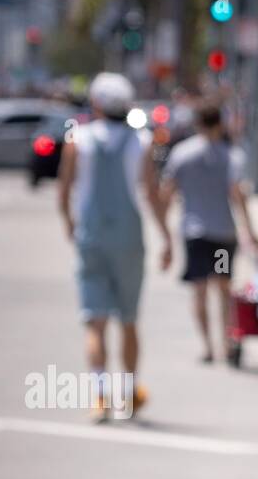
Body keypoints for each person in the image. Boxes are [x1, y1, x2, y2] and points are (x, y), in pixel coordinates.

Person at [58, 71, 172, 421]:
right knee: (129, 320)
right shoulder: (141, 141)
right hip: (128, 236)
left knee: (95, 322)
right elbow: (151, 194)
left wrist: (70, 224)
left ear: (95, 103)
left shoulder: (77, 139)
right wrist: (166, 235)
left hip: (92, 235)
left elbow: (64, 191)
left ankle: (100, 396)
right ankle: (130, 391)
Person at [160, 99, 258, 363]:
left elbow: (167, 193)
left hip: (194, 234)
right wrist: (249, 231)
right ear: (220, 123)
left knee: (200, 290)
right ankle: (227, 343)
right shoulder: (233, 155)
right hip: (223, 235)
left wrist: (165, 234)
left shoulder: (181, 153)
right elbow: (237, 195)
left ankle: (207, 347)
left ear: (197, 124)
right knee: (224, 290)